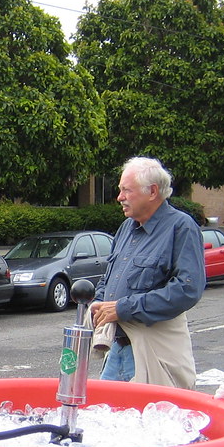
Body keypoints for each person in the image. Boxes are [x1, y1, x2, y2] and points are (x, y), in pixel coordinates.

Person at [89, 156, 204, 389]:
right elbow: (109, 277)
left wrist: (123, 308)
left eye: (126, 190)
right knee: (106, 411)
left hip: (153, 352)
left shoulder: (181, 227)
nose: (119, 197)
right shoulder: (126, 228)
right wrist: (99, 301)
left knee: (155, 411)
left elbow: (187, 289)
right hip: (117, 349)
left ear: (152, 192)